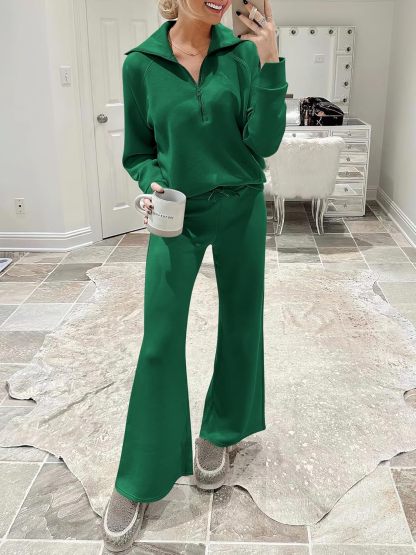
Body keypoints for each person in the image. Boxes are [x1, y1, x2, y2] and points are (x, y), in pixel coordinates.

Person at [102, 0, 288, 550]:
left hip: (241, 205)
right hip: (176, 213)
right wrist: (151, 181)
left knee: (241, 322)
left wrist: (270, 59)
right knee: (159, 340)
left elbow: (265, 143)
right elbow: (138, 152)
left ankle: (222, 430)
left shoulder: (242, 55)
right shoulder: (140, 64)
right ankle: (140, 477)